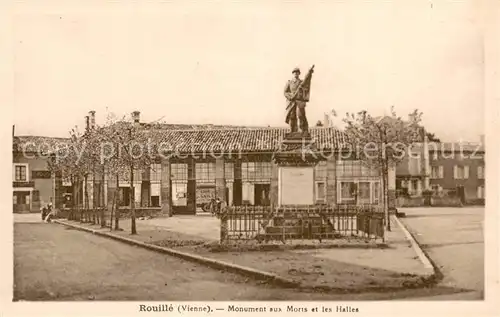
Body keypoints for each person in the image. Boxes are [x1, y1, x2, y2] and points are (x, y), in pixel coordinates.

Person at [284, 67, 309, 134]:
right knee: (292, 116)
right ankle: (292, 130)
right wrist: (290, 96)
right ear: (293, 73)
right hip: (291, 101)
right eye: (294, 72)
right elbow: (285, 92)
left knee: (300, 115)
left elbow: (306, 88)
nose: (296, 74)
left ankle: (301, 129)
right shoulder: (289, 83)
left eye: (297, 72)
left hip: (299, 101)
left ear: (299, 74)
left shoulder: (301, 83)